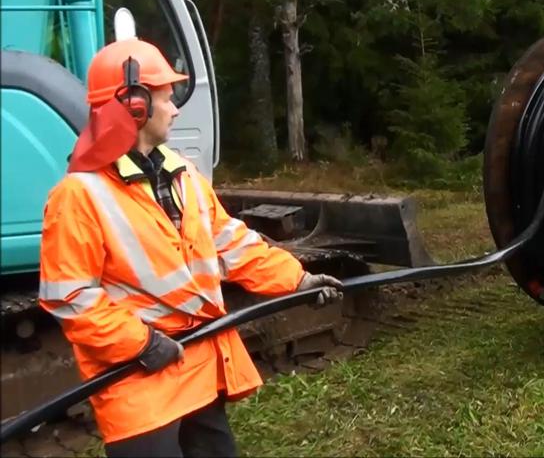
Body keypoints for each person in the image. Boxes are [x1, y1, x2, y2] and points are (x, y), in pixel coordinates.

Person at [38, 37, 344, 457]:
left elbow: (231, 244)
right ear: (135, 104)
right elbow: (70, 298)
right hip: (138, 380)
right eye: (167, 96)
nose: (176, 108)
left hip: (196, 363)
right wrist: (141, 343)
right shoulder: (78, 196)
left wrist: (298, 279)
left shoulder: (185, 178)